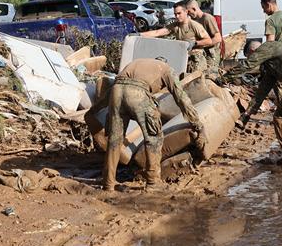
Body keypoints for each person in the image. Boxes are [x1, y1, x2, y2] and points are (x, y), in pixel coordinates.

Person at [86, 58, 207, 191]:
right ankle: (153, 182)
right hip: (137, 94)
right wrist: (198, 125)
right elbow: (181, 98)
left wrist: (93, 110)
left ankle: (108, 183)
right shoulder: (166, 69)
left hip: (116, 92)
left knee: (115, 140)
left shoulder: (137, 64)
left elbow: (115, 88)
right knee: (154, 137)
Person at [141, 1, 212, 73]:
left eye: (179, 13)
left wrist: (194, 43)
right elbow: (157, 32)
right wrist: (140, 35)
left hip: (196, 61)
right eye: (175, 14)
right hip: (182, 58)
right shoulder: (175, 25)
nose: (177, 16)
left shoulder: (194, 25)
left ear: (186, 12)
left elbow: (209, 41)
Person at [186, 0, 222, 80]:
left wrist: (197, 43)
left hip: (211, 54)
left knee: (210, 77)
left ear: (194, 9)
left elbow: (218, 38)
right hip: (201, 54)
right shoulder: (193, 21)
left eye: (189, 12)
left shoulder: (207, 18)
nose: (189, 14)